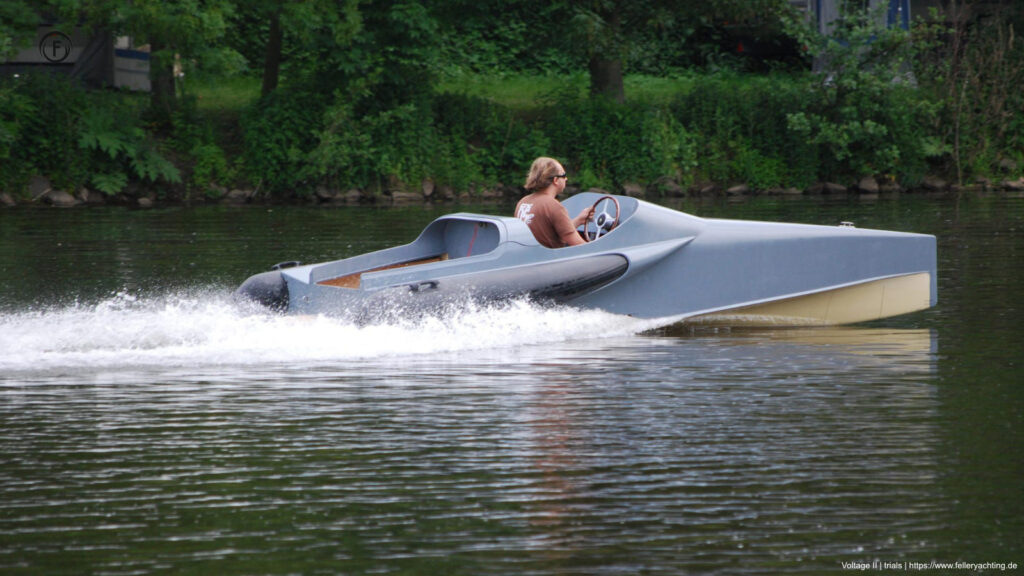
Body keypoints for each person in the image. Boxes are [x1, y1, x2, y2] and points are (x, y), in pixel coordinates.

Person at [515, 157, 593, 248]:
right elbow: (577, 243)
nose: (566, 179)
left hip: (529, 256)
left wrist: (580, 220)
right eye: (564, 175)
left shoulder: (523, 202)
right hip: (548, 258)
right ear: (556, 180)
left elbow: (554, 233)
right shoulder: (553, 206)